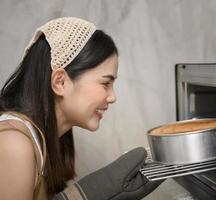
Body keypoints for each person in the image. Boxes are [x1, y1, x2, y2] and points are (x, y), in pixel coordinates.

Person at [0, 17, 163, 200]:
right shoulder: (14, 144)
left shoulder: (49, 140)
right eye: (105, 83)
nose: (112, 97)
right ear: (60, 82)